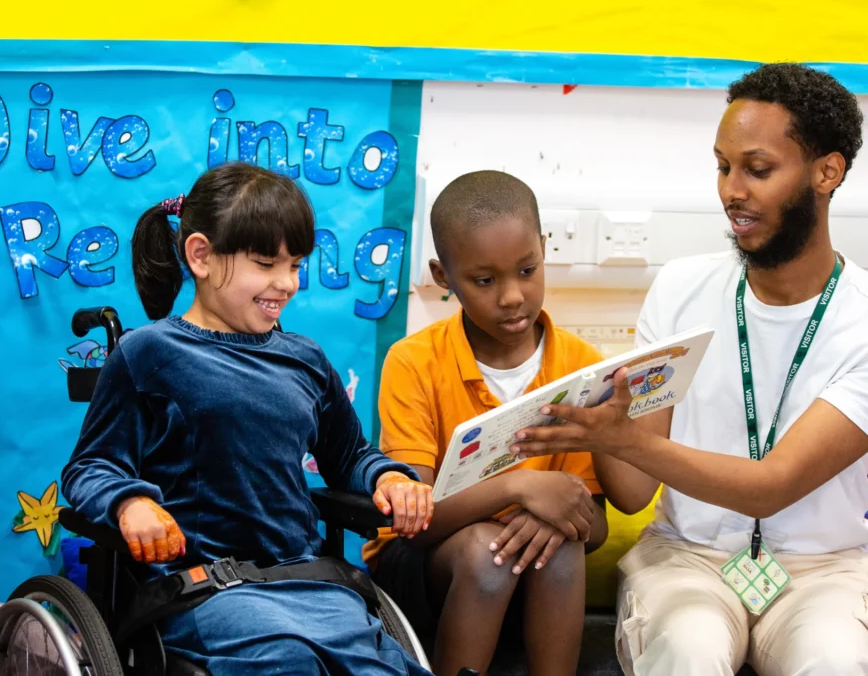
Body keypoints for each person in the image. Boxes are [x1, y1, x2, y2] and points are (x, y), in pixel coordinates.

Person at [510, 63, 868, 676]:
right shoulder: (680, 289)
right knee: (689, 650)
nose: (732, 191)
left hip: (827, 571)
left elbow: (773, 485)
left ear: (826, 172)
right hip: (687, 559)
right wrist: (607, 432)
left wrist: (626, 440)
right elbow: (631, 494)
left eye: (757, 169)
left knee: (834, 660)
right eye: (723, 166)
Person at [61, 162, 435, 675]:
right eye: (265, 264)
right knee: (290, 662)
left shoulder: (305, 359)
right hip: (203, 589)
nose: (286, 283)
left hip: (309, 584)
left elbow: (349, 455)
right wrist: (130, 503)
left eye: (295, 265)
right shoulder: (148, 353)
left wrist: (389, 478)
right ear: (201, 256)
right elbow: (91, 467)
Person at [364, 170, 609, 676]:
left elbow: (597, 524)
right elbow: (414, 523)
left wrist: (552, 518)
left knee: (562, 546)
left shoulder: (582, 367)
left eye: (527, 270)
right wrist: (519, 488)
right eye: (484, 281)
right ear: (443, 276)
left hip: (532, 575)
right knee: (487, 553)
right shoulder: (413, 361)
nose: (512, 296)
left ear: (544, 249)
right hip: (423, 567)